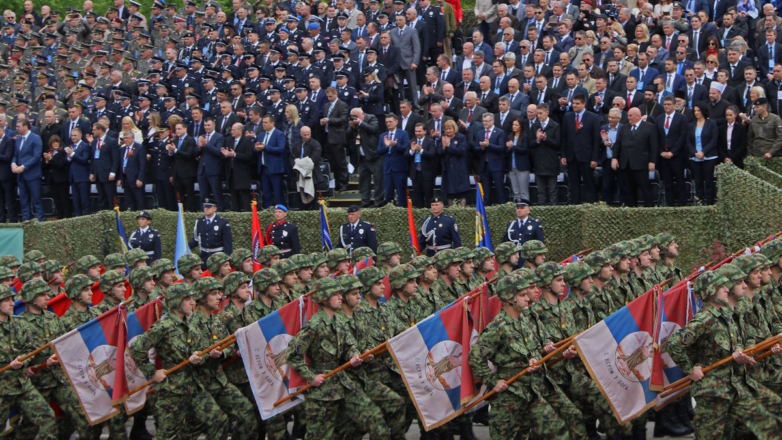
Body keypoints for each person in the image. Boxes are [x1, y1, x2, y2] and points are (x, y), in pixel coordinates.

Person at [287, 277, 392, 440]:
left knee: (373, 418)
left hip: (342, 382)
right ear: (324, 298)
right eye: (335, 294)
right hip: (321, 390)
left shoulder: (338, 320)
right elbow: (293, 354)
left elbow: (350, 345)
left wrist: (354, 356)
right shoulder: (314, 325)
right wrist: (311, 377)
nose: (340, 297)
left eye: (340, 294)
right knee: (320, 435)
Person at [129, 283, 230, 439]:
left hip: (194, 386)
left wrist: (199, 358)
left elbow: (200, 350)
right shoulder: (163, 326)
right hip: (173, 391)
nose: (192, 302)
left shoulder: (191, 323)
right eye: (187, 299)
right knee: (167, 435)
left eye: (192, 298)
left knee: (219, 420)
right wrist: (152, 373)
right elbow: (136, 349)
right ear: (176, 302)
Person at [611, 107, 659, 207]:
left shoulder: (650, 127)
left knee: (645, 189)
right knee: (629, 190)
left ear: (638, 116)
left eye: (630, 115)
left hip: (641, 164)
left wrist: (652, 161)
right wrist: (614, 158)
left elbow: (654, 146)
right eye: (628, 115)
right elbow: (618, 144)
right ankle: (631, 212)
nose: (628, 118)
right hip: (626, 164)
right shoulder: (624, 128)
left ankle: (649, 211)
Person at [561, 94, 600, 204]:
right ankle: (575, 206)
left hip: (587, 157)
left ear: (584, 104)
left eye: (577, 103)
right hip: (572, 156)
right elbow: (564, 137)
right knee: (573, 183)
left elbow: (596, 140)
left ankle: (590, 206)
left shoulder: (593, 117)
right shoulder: (567, 117)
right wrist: (563, 154)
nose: (575, 105)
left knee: (588, 183)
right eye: (573, 103)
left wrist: (594, 158)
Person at [656, 96, 689, 207]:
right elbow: (657, 137)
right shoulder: (659, 118)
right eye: (665, 104)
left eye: (669, 104)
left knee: (680, 182)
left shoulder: (681, 118)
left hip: (677, 156)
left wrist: (673, 152)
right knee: (667, 183)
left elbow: (682, 136)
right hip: (663, 156)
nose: (666, 106)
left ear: (675, 105)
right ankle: (669, 206)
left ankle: (682, 206)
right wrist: (661, 152)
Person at [348, 107, 383, 208]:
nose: (355, 119)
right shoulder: (354, 123)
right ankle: (365, 201)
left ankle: (378, 201)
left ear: (362, 114)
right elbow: (347, 135)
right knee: (363, 181)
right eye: (353, 117)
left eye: (356, 117)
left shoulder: (372, 118)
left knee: (378, 180)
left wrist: (360, 123)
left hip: (374, 156)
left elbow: (373, 129)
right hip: (362, 157)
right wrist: (352, 127)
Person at [687, 102, 719, 205]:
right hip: (695, 158)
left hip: (708, 157)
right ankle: (699, 203)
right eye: (695, 111)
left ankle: (709, 204)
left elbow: (713, 140)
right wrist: (695, 152)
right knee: (698, 182)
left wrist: (703, 152)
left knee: (709, 182)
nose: (696, 113)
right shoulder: (691, 125)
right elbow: (688, 141)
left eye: (698, 111)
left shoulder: (711, 123)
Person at [12, 119, 44, 221]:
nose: (16, 128)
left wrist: (23, 166)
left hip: (33, 175)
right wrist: (13, 163)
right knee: (23, 200)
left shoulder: (36, 138)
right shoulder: (18, 140)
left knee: (36, 200)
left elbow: (36, 156)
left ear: (25, 126)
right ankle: (26, 221)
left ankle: (39, 221)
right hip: (21, 176)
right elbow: (16, 155)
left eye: (18, 126)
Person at [528, 104, 560, 205]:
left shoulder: (555, 126)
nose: (539, 116)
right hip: (539, 163)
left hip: (551, 163)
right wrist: (537, 139)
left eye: (541, 113)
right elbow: (530, 144)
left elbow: (557, 144)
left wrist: (546, 139)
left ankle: (553, 212)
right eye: (537, 114)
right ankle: (542, 212)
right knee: (541, 192)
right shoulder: (534, 126)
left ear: (547, 113)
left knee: (553, 191)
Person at [188, 198, 233, 268]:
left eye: (209, 207)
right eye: (205, 207)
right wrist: (186, 248)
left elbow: (228, 244)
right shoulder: (199, 222)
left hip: (218, 258)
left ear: (214, 208)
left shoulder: (222, 222)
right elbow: (196, 240)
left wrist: (226, 260)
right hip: (204, 258)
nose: (206, 209)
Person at [320, 87, 350, 191]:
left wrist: (329, 120)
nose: (329, 98)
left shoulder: (342, 105)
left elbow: (342, 119)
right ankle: (336, 182)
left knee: (340, 161)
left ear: (336, 94)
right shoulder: (327, 105)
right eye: (327, 96)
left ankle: (344, 182)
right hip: (328, 136)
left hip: (338, 137)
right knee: (331, 162)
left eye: (331, 96)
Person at [291, 126, 326, 210]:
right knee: (301, 199)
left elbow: (314, 159)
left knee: (314, 200)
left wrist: (299, 163)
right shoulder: (297, 145)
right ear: (300, 134)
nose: (307, 136)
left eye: (308, 134)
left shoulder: (315, 144)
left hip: (313, 175)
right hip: (300, 175)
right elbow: (292, 157)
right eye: (304, 135)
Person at [377, 113, 409, 207]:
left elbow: (406, 148)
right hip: (387, 168)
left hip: (399, 168)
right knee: (388, 193)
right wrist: (386, 146)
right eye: (386, 122)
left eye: (390, 122)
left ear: (396, 122)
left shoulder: (403, 133)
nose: (388, 124)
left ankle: (403, 212)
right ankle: (390, 212)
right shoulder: (383, 135)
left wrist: (396, 145)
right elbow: (379, 151)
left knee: (401, 192)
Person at [256, 114, 287, 208]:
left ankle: (281, 212)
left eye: (266, 122)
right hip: (263, 168)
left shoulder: (279, 134)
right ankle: (267, 212)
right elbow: (257, 149)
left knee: (278, 193)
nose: (263, 124)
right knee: (266, 193)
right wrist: (256, 148)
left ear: (272, 123)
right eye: (263, 122)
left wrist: (265, 147)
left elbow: (281, 149)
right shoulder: (261, 135)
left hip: (275, 169)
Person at [390, 15, 421, 108]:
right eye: (397, 20)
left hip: (409, 62)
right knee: (398, 87)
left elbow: (417, 48)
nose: (398, 22)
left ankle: (416, 105)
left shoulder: (412, 31)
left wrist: (415, 61)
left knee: (412, 86)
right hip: (397, 63)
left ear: (405, 20)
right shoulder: (392, 32)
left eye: (400, 20)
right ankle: (401, 105)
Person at [503, 199, 545, 268]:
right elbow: (505, 242)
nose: (519, 210)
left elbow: (540, 243)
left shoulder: (535, 224)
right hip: (513, 259)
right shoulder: (511, 224)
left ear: (528, 210)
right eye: (517, 208)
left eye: (522, 208)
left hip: (528, 260)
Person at [196, 116, 226, 212]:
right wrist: (199, 147)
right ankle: (203, 213)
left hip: (214, 170)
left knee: (216, 194)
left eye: (209, 125)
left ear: (213, 125)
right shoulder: (202, 136)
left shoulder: (219, 137)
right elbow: (194, 153)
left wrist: (206, 144)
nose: (207, 127)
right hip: (202, 170)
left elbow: (218, 152)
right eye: (205, 125)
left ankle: (220, 212)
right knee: (203, 195)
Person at [438, 119, 471, 206]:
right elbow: (439, 153)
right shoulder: (443, 138)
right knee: (450, 194)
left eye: (450, 129)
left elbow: (461, 151)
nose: (448, 131)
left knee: (461, 194)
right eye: (446, 129)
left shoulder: (461, 138)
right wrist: (444, 148)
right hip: (448, 170)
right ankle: (451, 211)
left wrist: (449, 146)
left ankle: (462, 212)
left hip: (459, 170)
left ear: (454, 128)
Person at [223, 122, 254, 212]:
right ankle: (235, 214)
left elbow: (249, 156)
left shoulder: (247, 141)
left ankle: (247, 215)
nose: (231, 131)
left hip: (242, 172)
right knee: (233, 195)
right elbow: (228, 154)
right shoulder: (229, 141)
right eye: (231, 129)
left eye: (234, 130)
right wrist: (226, 154)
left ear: (240, 131)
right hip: (231, 172)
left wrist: (235, 155)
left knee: (244, 196)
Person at [169, 121, 199, 212]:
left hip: (187, 173)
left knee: (189, 195)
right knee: (179, 196)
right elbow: (173, 159)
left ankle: (191, 212)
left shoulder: (190, 140)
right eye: (176, 129)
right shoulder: (175, 141)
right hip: (177, 174)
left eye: (179, 129)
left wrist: (176, 150)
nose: (177, 131)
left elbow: (189, 155)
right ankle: (181, 213)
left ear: (185, 129)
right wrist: (170, 153)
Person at [408, 122, 438, 208]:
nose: (417, 133)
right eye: (416, 131)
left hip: (427, 175)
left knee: (429, 198)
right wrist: (412, 151)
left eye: (419, 131)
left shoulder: (430, 142)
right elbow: (406, 155)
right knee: (418, 199)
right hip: (415, 175)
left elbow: (432, 154)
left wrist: (421, 151)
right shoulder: (412, 141)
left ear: (425, 131)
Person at [43, 135, 71, 219]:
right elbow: (43, 166)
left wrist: (51, 159)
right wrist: (47, 161)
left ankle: (67, 217)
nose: (55, 144)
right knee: (57, 200)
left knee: (64, 200)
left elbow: (60, 165)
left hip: (62, 179)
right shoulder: (48, 152)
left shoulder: (62, 152)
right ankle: (59, 217)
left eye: (57, 142)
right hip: (52, 180)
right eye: (53, 142)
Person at [119, 130, 147, 211]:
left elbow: (142, 165)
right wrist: (120, 178)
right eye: (124, 138)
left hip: (136, 179)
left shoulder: (139, 148)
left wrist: (140, 179)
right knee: (129, 201)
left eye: (127, 138)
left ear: (133, 138)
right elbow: (120, 164)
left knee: (139, 200)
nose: (125, 140)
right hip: (125, 178)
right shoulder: (122, 149)